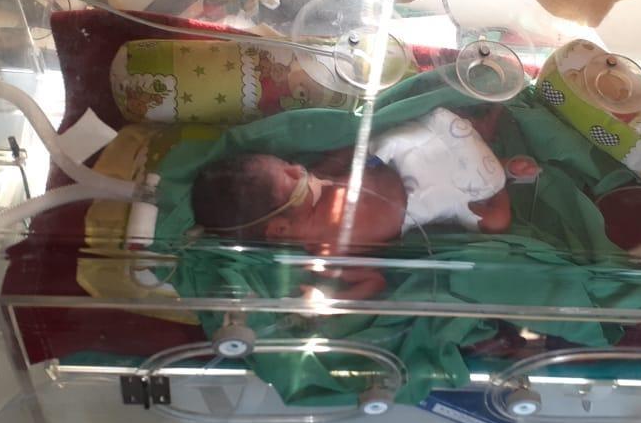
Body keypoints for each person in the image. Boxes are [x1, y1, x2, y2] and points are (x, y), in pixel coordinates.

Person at [191, 106, 539, 299]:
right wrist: (328, 300)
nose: (298, 169)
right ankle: (504, 175)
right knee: (495, 222)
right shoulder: (326, 255)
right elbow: (373, 282)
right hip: (425, 206)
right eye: (289, 178)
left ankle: (483, 132)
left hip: (405, 163)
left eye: (287, 164)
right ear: (279, 228)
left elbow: (349, 151)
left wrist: (358, 147)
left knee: (440, 130)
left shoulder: (317, 176)